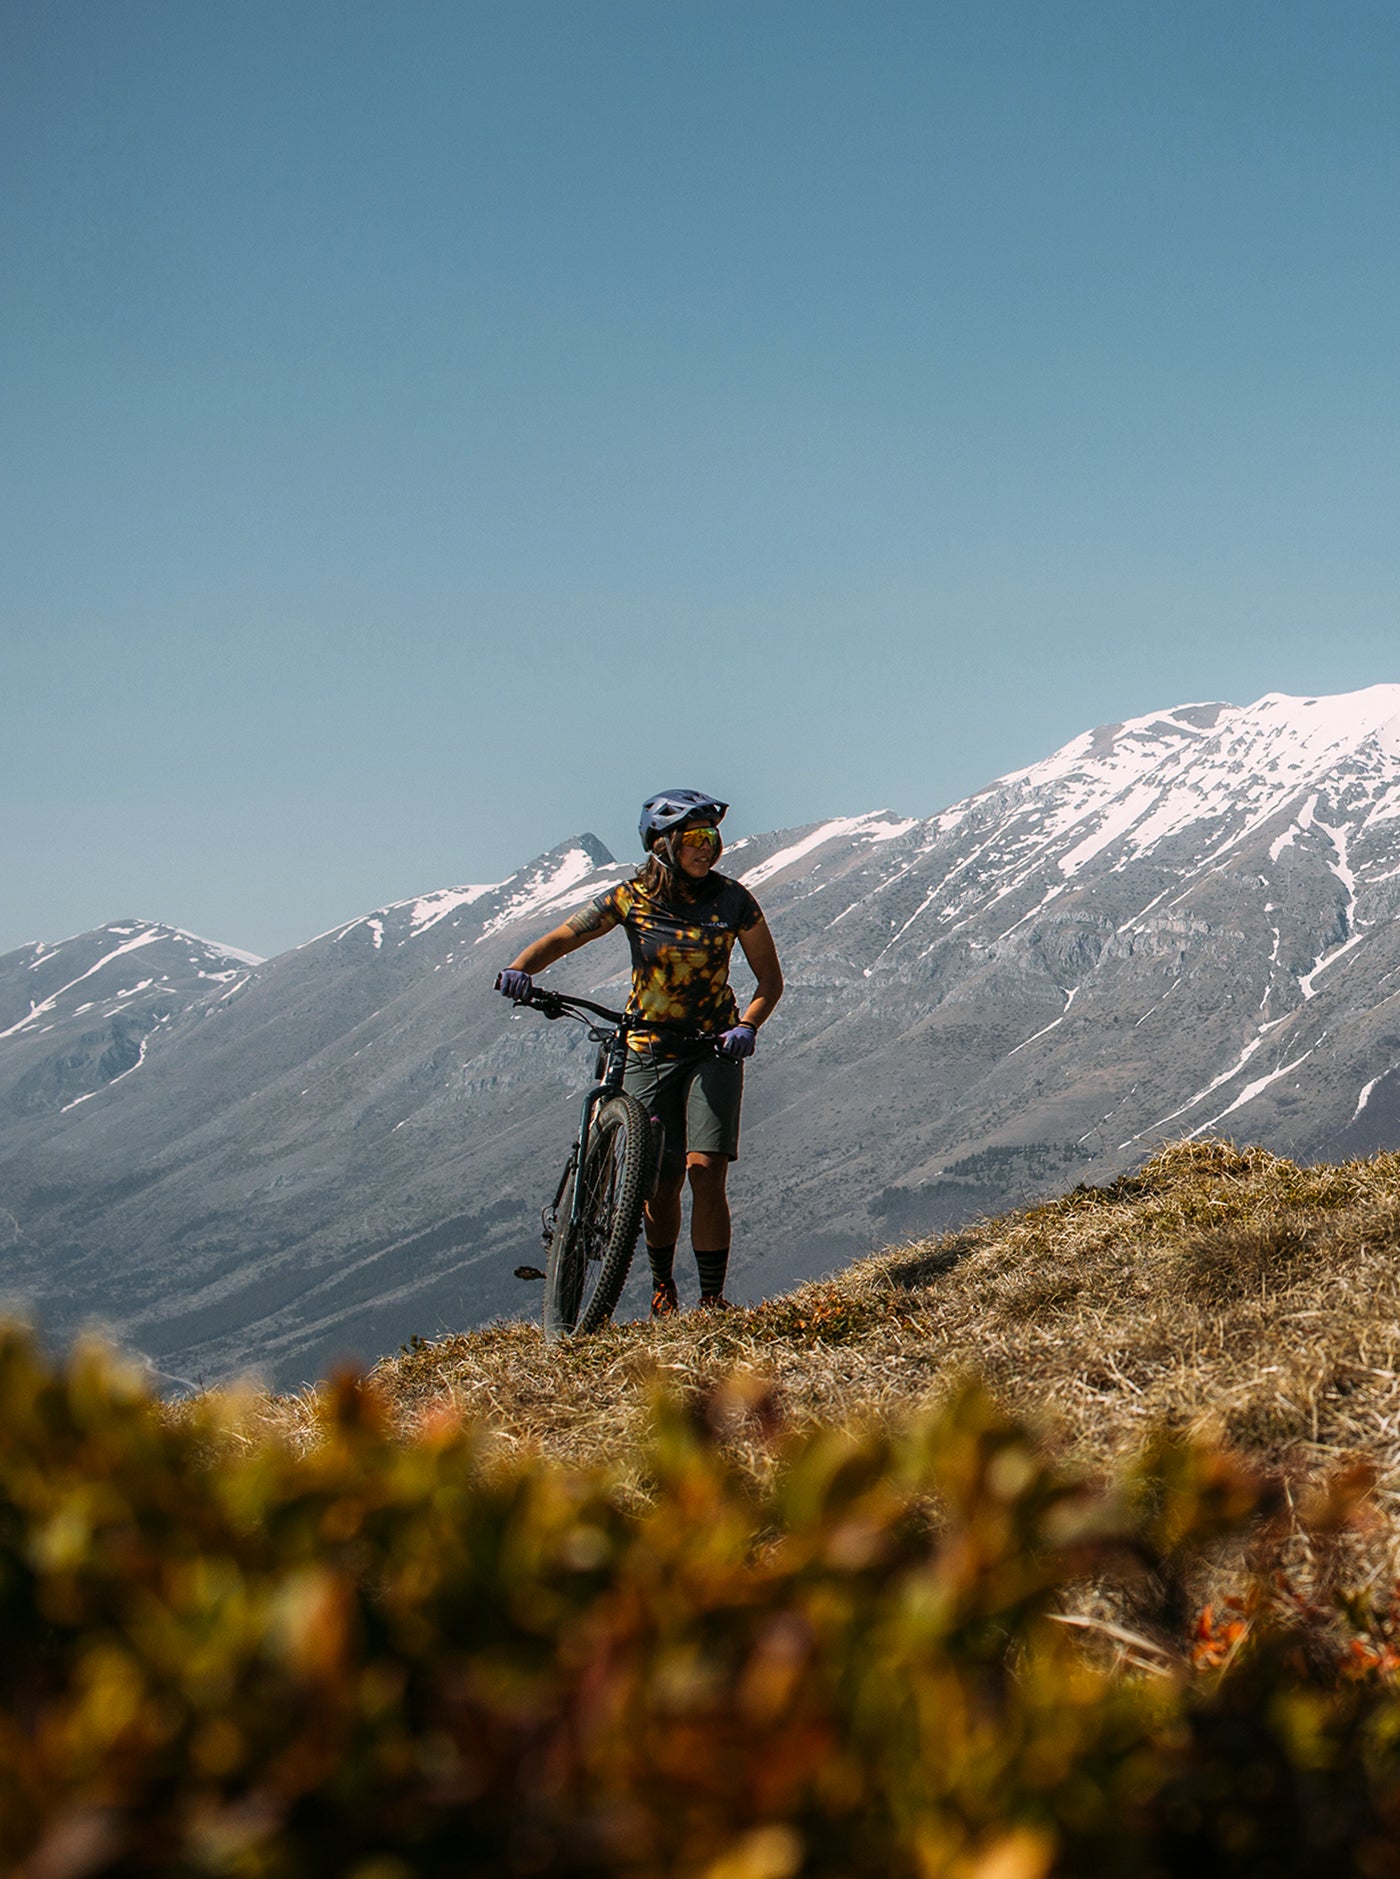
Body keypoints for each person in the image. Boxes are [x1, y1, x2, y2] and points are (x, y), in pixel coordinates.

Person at [495, 788, 784, 1316]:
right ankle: (663, 1288)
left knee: (707, 1171)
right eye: (695, 838)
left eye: (712, 837)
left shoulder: (733, 900)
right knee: (660, 1183)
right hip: (648, 1049)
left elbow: (770, 980)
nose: (708, 848)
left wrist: (748, 1026)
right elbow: (564, 938)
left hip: (712, 1050)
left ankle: (713, 1298)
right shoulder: (631, 898)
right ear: (663, 844)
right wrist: (521, 969)